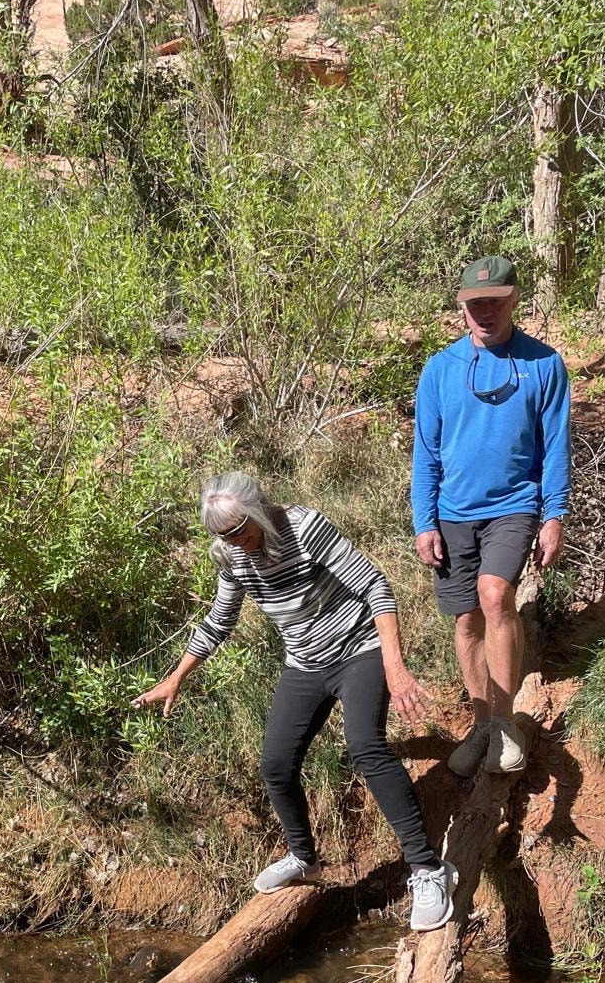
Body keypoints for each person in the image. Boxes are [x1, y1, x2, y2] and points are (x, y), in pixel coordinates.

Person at [133, 472, 457, 933]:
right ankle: (304, 859)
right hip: (304, 662)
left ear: (258, 511)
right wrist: (175, 678)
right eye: (222, 536)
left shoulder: (304, 528)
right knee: (276, 764)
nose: (234, 542)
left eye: (238, 530)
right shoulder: (232, 554)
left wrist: (395, 666)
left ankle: (428, 869)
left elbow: (375, 587)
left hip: (358, 650)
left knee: (365, 746)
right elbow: (219, 620)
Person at [412, 256, 571, 777]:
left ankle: (505, 724)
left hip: (514, 504)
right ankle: (481, 724)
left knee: (496, 595)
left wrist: (554, 515)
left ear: (514, 301)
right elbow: (426, 454)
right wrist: (424, 522)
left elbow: (556, 447)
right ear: (462, 306)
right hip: (453, 512)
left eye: (495, 302)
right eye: (475, 303)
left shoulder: (544, 365)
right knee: (466, 619)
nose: (485, 311)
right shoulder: (440, 370)